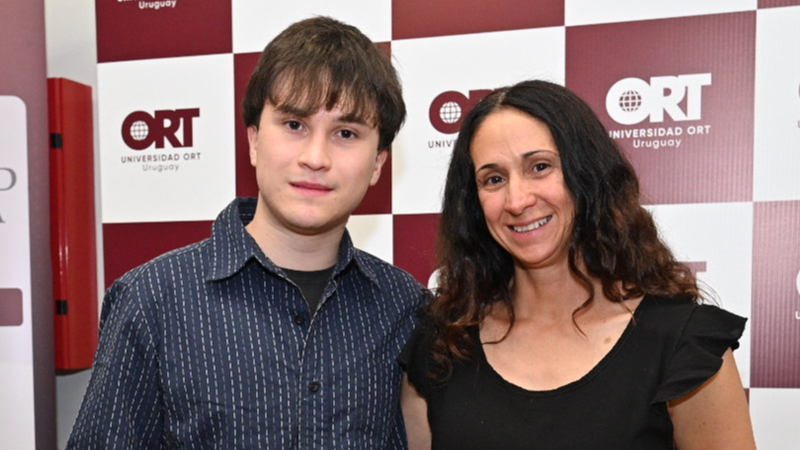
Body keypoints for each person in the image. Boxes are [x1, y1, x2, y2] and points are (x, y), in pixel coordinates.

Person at [68, 16, 426, 449]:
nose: (315, 157)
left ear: (377, 164)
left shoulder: (405, 307)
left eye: (346, 133)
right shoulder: (153, 300)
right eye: (294, 125)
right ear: (254, 141)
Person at [399, 80, 756, 450]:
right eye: (494, 179)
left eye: (539, 167)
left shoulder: (682, 342)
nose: (517, 200)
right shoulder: (443, 345)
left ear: (587, 175)